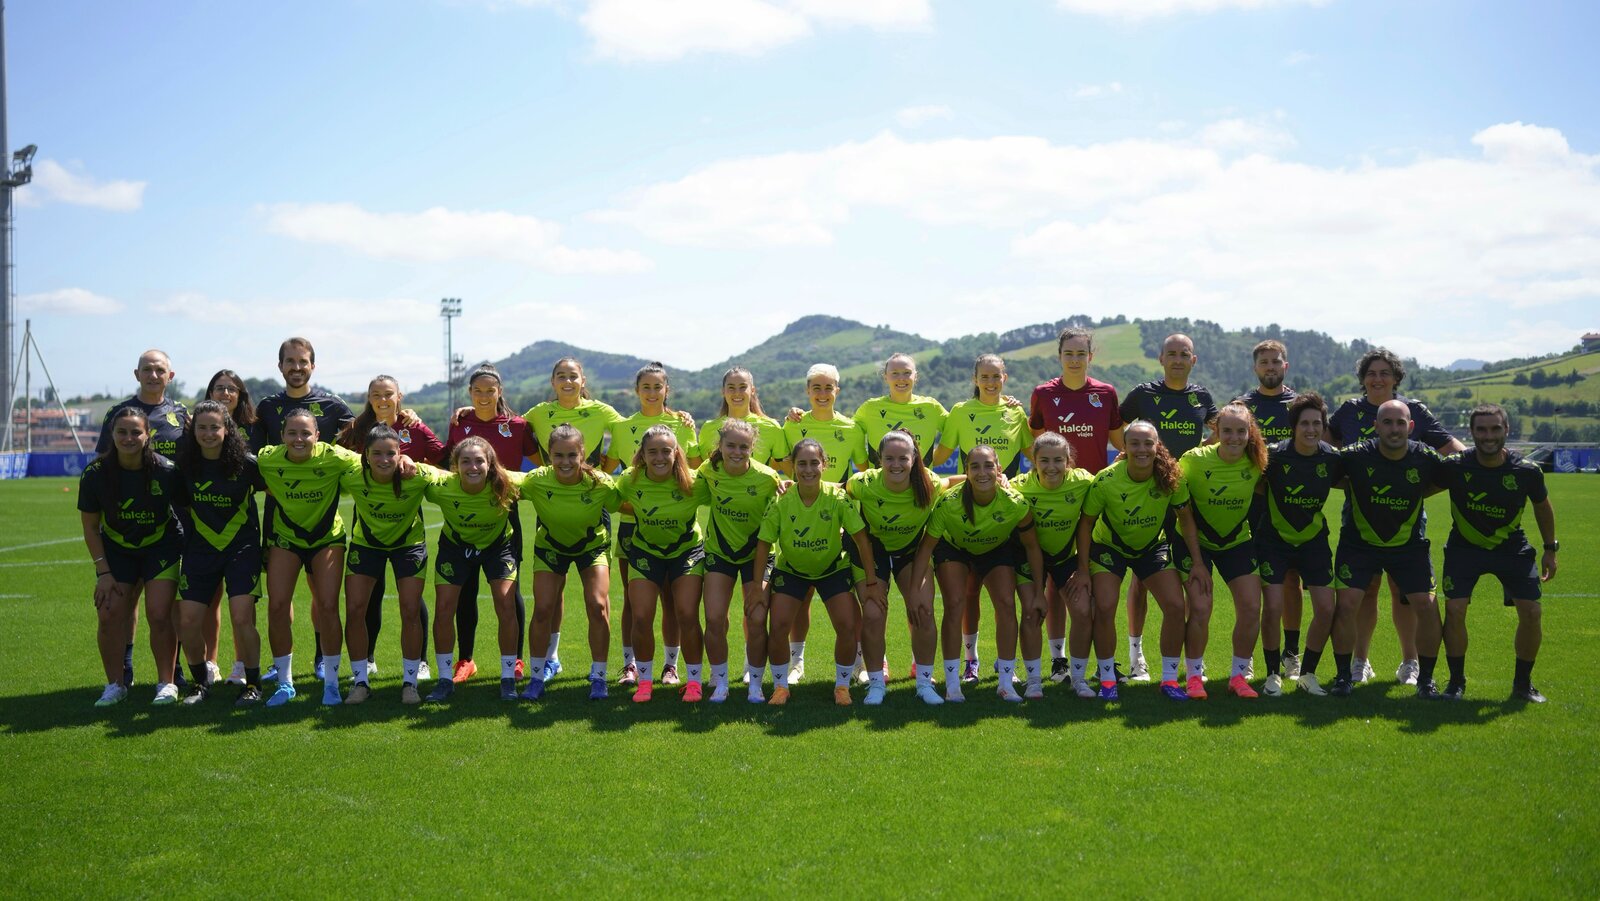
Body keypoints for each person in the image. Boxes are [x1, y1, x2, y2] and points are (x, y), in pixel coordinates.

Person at [1327, 347, 1465, 686]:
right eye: (1371, 373)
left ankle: (1410, 662)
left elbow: (1454, 453)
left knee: (1404, 592)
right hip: (1359, 517)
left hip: (1406, 519)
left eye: (1384, 373)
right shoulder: (1349, 411)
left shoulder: (1414, 410)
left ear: (1396, 378)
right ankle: (1360, 661)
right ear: (1363, 380)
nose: (1377, 379)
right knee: (1365, 591)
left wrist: (1419, 490)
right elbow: (1321, 451)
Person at [1074, 421, 1210, 701]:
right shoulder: (1107, 480)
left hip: (1151, 546)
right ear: (1123, 447)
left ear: (1157, 445)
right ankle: (1108, 679)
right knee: (1105, 604)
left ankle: (1170, 680)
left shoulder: (1171, 476)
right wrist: (1084, 570)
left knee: (1174, 606)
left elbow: (1186, 519)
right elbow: (1085, 524)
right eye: (1134, 443)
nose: (1142, 449)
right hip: (1110, 546)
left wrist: (1197, 562)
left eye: (1148, 443)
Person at [1434, 404, 1558, 702]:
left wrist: (1550, 549)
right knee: (1454, 609)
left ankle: (1522, 684)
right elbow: (1417, 488)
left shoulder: (1527, 471)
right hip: (1464, 548)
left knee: (1532, 611)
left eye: (1494, 429)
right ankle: (1456, 683)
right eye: (1481, 429)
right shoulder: (1454, 466)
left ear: (1506, 430)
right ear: (1472, 432)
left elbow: (1542, 506)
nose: (1488, 436)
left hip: (1512, 549)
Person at [251, 337, 355, 683]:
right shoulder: (266, 406)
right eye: (290, 362)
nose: (297, 368)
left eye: (303, 361)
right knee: (280, 598)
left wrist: (406, 415)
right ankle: (281, 664)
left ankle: (321, 657)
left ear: (313, 365)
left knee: (321, 595)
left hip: (322, 512)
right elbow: (249, 455)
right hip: (280, 512)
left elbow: (367, 431)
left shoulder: (332, 405)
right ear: (280, 366)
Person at [1117, 333, 1217, 682]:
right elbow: (1115, 424)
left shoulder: (1201, 396)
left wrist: (1200, 454)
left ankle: (1191, 665)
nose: (1177, 359)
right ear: (1160, 358)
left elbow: (1222, 429)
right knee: (1141, 580)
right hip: (1147, 494)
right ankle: (1136, 655)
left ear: (1194, 360)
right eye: (1171, 353)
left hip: (1184, 496)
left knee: (1187, 578)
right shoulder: (1144, 394)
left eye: (1184, 354)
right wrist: (1129, 453)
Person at [1329, 400, 1446, 698]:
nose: (1394, 429)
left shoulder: (1425, 457)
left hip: (1408, 546)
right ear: (1376, 426)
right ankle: (1345, 675)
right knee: (1346, 604)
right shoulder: (1356, 456)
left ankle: (1425, 678)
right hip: (1359, 544)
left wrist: (1419, 491)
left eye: (1400, 423)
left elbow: (1448, 478)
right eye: (1388, 422)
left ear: (1410, 427)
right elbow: (1324, 473)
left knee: (1427, 605)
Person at [913, 443, 1047, 702]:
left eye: (988, 465)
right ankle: (953, 686)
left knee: (1007, 605)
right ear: (966, 471)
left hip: (995, 550)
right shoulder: (949, 502)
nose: (982, 472)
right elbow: (926, 548)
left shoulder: (1015, 503)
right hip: (955, 549)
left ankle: (1006, 684)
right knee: (954, 604)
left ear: (998, 470)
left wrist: (1039, 592)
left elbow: (1032, 547)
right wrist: (913, 591)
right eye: (975, 466)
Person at [1028, 327, 1124, 683]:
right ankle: (1058, 660)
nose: (1074, 359)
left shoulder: (1106, 393)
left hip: (1094, 499)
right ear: (1059, 356)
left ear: (1090, 357)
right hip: (1055, 498)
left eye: (1081, 353)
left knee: (1096, 585)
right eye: (1068, 353)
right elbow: (1035, 443)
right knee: (1054, 583)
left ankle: (1105, 661)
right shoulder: (1043, 394)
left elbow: (1119, 442)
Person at [754, 439, 880, 706]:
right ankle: (780, 687)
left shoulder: (837, 498)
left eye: (814, 463)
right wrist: (757, 586)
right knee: (777, 626)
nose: (808, 469)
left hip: (832, 570)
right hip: (792, 572)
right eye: (802, 463)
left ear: (824, 465)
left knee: (847, 626)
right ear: (792, 467)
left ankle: (842, 687)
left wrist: (870, 581)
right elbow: (764, 543)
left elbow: (861, 538)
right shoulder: (781, 501)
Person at [95, 349, 190, 691]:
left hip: (171, 524)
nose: (153, 375)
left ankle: (173, 671)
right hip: (127, 524)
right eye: (147, 370)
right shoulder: (118, 414)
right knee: (125, 601)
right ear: (137, 374)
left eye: (159, 370)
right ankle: (126, 664)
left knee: (165, 607)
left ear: (170, 375)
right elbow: (105, 466)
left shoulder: (181, 413)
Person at [339, 375, 442, 685]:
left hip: (406, 515)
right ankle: (367, 658)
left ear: (400, 396)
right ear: (369, 398)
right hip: (368, 516)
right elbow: (333, 456)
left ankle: (420, 661)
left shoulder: (413, 427)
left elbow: (443, 456)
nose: (382, 400)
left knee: (412, 599)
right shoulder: (358, 429)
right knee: (369, 595)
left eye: (388, 394)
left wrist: (417, 452)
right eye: (375, 395)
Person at [847, 430, 963, 705]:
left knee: (922, 609)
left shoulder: (929, 484)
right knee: (874, 613)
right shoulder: (863, 483)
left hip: (911, 553)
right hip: (871, 551)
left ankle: (924, 684)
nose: (896, 464)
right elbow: (834, 491)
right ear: (879, 459)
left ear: (914, 459)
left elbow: (955, 481)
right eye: (889, 458)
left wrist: (998, 478)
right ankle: (875, 684)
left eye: (903, 458)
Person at [257, 408, 363, 706]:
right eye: (292, 433)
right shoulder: (268, 458)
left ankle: (331, 682)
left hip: (326, 538)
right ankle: (284, 683)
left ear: (317, 435)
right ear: (282, 437)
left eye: (306, 433)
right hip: (286, 538)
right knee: (277, 606)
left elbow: (373, 461)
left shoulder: (334, 457)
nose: (299, 438)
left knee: (328, 606)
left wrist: (404, 459)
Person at [80, 407, 186, 707]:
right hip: (117, 550)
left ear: (147, 434)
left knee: (158, 612)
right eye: (122, 432)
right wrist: (103, 572)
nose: (129, 438)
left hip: (161, 546)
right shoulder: (95, 474)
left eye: (135, 432)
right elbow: (90, 526)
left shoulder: (166, 470)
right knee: (110, 613)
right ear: (112, 436)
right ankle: (115, 684)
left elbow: (187, 512)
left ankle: (166, 683)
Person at [936, 353, 1031, 685]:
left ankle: (1008, 668)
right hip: (967, 511)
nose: (990, 381)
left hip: (1003, 517)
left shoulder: (1017, 412)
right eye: (984, 376)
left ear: (1005, 377)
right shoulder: (961, 412)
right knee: (968, 595)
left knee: (1007, 599)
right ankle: (971, 661)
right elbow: (939, 457)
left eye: (996, 376)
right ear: (975, 379)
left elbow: (1036, 457)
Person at [604, 363, 700, 689]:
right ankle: (630, 665)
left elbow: (692, 473)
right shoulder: (622, 428)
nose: (651, 392)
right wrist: (644, 506)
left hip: (677, 528)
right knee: (634, 603)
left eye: (657, 386)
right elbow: (608, 475)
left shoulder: (683, 425)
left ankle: (671, 667)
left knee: (673, 601)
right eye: (645, 386)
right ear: (637, 390)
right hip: (634, 527)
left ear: (666, 389)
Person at [442, 363, 538, 686]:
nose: (484, 396)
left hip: (503, 516)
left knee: (511, 592)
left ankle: (517, 658)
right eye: (477, 391)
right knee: (465, 592)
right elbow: (447, 465)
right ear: (470, 393)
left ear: (500, 392)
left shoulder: (518, 425)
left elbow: (541, 464)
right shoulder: (459, 423)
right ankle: (466, 660)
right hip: (465, 516)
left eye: (490, 390)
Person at [519, 424, 622, 702]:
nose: (565, 462)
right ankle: (537, 676)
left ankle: (599, 677)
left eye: (571, 456)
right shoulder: (536, 480)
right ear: (548, 455)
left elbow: (625, 501)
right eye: (558, 456)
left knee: (598, 606)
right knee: (542, 609)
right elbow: (498, 478)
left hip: (592, 547)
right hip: (550, 548)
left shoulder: (600, 482)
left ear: (582, 454)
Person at [780, 364, 869, 682]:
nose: (822, 393)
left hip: (840, 526)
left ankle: (860, 662)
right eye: (816, 387)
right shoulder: (791, 425)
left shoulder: (852, 428)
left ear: (837, 391)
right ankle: (796, 663)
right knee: (800, 599)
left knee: (850, 601)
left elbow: (862, 473)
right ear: (807, 391)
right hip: (799, 523)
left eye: (828, 387)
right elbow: (778, 466)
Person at [174, 400, 265, 706]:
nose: (209, 433)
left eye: (215, 427)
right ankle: (201, 683)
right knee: (187, 621)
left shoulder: (247, 463)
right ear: (193, 430)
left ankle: (253, 684)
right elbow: (182, 506)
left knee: (242, 617)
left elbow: (277, 493)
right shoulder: (185, 466)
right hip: (201, 549)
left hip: (242, 548)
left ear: (228, 429)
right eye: (202, 427)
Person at [422, 437, 527, 702]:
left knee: (506, 605)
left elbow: (545, 478)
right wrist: (403, 462)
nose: (473, 467)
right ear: (455, 465)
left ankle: (507, 679)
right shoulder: (442, 487)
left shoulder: (509, 483)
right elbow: (419, 470)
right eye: (465, 461)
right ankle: (445, 680)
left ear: (490, 463)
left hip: (498, 547)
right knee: (444, 608)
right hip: (455, 548)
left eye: (479, 460)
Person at [1176, 404, 1268, 699]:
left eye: (1241, 431)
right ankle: (1193, 677)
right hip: (1194, 543)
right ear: (1215, 432)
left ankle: (1238, 677)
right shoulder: (1194, 460)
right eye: (1227, 430)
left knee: (1252, 607)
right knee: (1201, 608)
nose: (1234, 437)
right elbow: (1169, 484)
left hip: (1236, 541)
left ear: (1249, 432)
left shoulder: (1258, 462)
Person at [1257, 393, 1343, 696]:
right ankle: (1272, 675)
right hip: (1273, 541)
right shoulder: (1273, 456)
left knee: (1325, 608)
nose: (1311, 429)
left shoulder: (1332, 458)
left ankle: (1308, 673)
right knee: (1274, 607)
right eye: (1304, 423)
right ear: (1293, 426)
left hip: (1313, 541)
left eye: (1316, 423)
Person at [616, 426, 706, 703]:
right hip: (645, 552)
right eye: (652, 451)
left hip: (686, 551)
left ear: (675, 452)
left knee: (687, 614)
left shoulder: (694, 482)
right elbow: (607, 497)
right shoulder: (629, 481)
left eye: (666, 451)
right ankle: (644, 682)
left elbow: (732, 491)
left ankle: (693, 683)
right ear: (641, 455)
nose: (659, 457)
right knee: (641, 615)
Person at [696, 419, 784, 703]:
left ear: (753, 448)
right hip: (720, 553)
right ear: (719, 446)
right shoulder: (708, 471)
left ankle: (755, 685)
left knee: (757, 619)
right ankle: (720, 683)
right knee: (714, 618)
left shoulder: (767, 478)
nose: (737, 451)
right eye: (730, 445)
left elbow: (791, 499)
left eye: (743, 446)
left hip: (757, 556)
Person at [1234, 340, 1305, 680]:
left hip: (1293, 507)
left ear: (1285, 366)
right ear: (1255, 368)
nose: (1270, 367)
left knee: (1292, 582)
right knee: (1253, 586)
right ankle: (1245, 658)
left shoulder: (1299, 406)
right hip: (1254, 508)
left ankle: (1292, 655)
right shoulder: (1242, 406)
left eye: (1276, 361)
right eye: (1264, 362)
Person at [1011, 432, 1094, 696]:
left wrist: (1083, 569)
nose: (1051, 467)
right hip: (1027, 558)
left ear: (1068, 461)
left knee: (1082, 611)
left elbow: (1111, 483)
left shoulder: (1083, 482)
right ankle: (1034, 681)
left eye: (1058, 460)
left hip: (1065, 558)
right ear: (1033, 461)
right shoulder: (1017, 486)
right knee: (1031, 612)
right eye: (1044, 460)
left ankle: (1079, 679)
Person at [204, 369, 256, 687]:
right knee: (209, 599)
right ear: (209, 392)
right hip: (204, 527)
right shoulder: (195, 427)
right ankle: (210, 664)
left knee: (241, 602)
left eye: (231, 389)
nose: (225, 393)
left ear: (240, 395)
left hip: (241, 527)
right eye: (219, 388)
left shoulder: (255, 429)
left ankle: (240, 664)